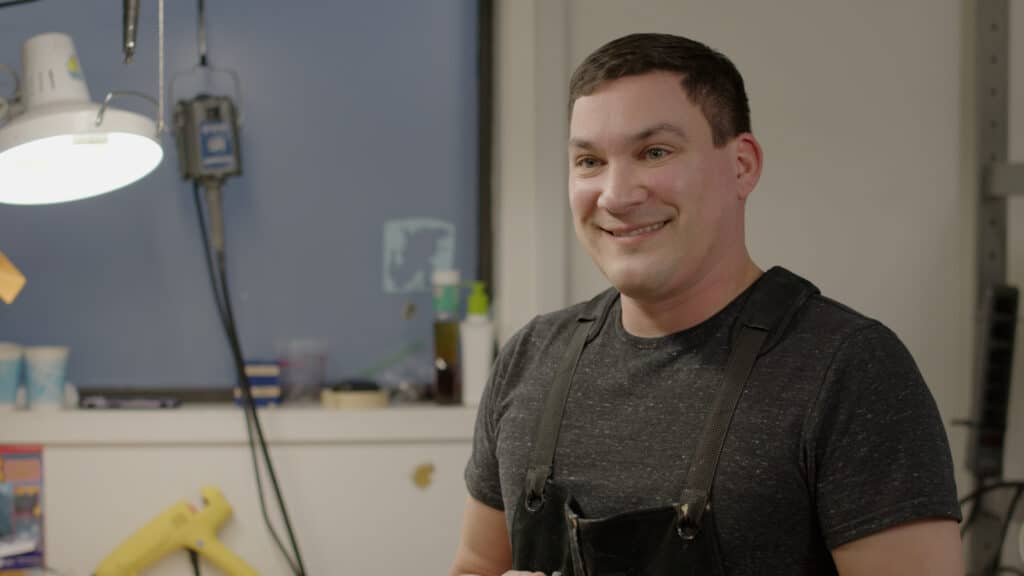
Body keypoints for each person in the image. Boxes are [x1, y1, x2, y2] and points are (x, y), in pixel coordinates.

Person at [450, 33, 963, 576]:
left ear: (742, 165)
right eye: (589, 160)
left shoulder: (849, 369)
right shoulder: (531, 357)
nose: (617, 194)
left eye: (655, 152)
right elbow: (476, 565)